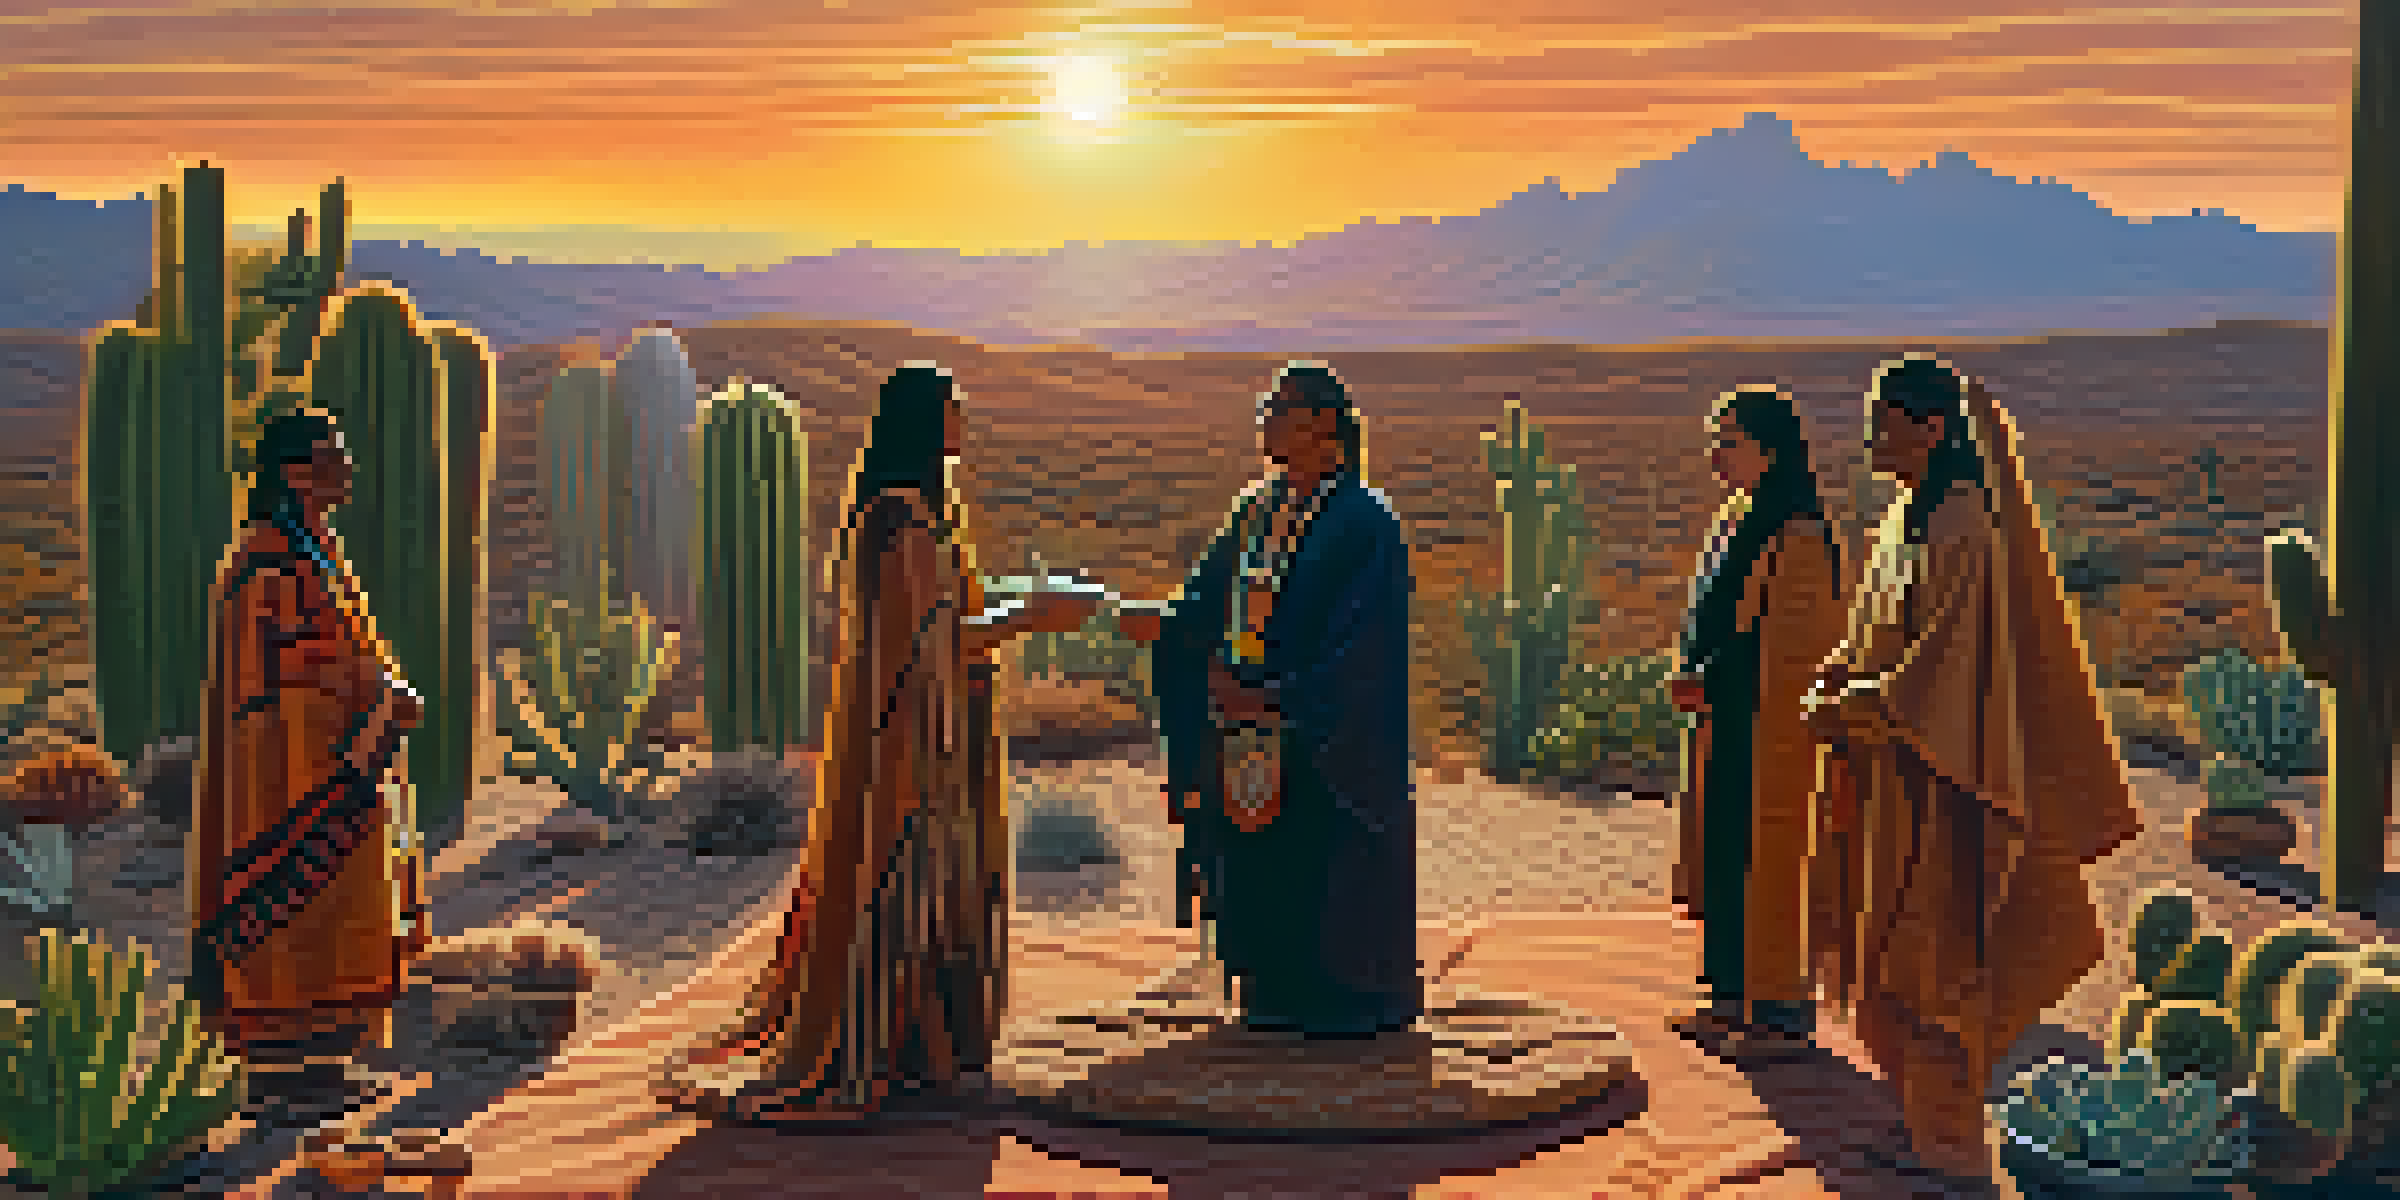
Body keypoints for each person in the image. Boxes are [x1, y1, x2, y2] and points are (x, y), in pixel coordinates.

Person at [658, 363, 1095, 1123]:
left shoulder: (922, 514)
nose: (963, 423)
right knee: (909, 870)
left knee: (934, 873)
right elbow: (932, 641)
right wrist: (1032, 617)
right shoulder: (902, 521)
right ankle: (892, 1049)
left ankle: (924, 1052)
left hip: (928, 731)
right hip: (911, 739)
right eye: (953, 410)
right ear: (925, 421)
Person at [1804, 357, 2140, 1179]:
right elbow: (1873, 634)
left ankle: (1951, 1149)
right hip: (1890, 780)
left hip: (1944, 784)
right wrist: (1834, 680)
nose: (1872, 439)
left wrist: (1857, 705)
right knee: (1889, 951)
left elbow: (1945, 666)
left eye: (1885, 422)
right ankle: (1915, 1124)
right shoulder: (1903, 518)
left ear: (1931, 428)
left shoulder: (1962, 525)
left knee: (1940, 959)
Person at [1120, 363, 1420, 1038]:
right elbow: (1204, 605)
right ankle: (1271, 992)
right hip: (1249, 734)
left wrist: (1279, 699)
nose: (1267, 420)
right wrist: (1170, 635)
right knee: (1261, 858)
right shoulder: (1256, 511)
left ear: (1324, 424)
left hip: (1326, 740)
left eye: (1282, 409)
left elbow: (1365, 650)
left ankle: (1351, 1003)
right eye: (1268, 407)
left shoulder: (1364, 523)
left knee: (1329, 864)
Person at [192, 407, 427, 1103]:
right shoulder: (267, 564)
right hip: (283, 779)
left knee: (336, 914)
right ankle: (282, 1076)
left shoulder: (313, 552)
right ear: (297, 473)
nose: (346, 469)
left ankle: (324, 1067)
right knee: (290, 917)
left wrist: (378, 698)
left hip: (334, 768)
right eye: (333, 457)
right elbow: (282, 683)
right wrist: (374, 704)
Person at [1666, 386, 1845, 1059]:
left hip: (1768, 733)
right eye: (1715, 441)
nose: (1717, 455)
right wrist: (1692, 671)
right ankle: (1729, 999)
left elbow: (1798, 652)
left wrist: (1711, 681)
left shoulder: (1797, 533)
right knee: (1723, 859)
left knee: (1769, 866)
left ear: (1771, 450)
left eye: (1731, 442)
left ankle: (1777, 1015)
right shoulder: (1735, 520)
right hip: (1727, 724)